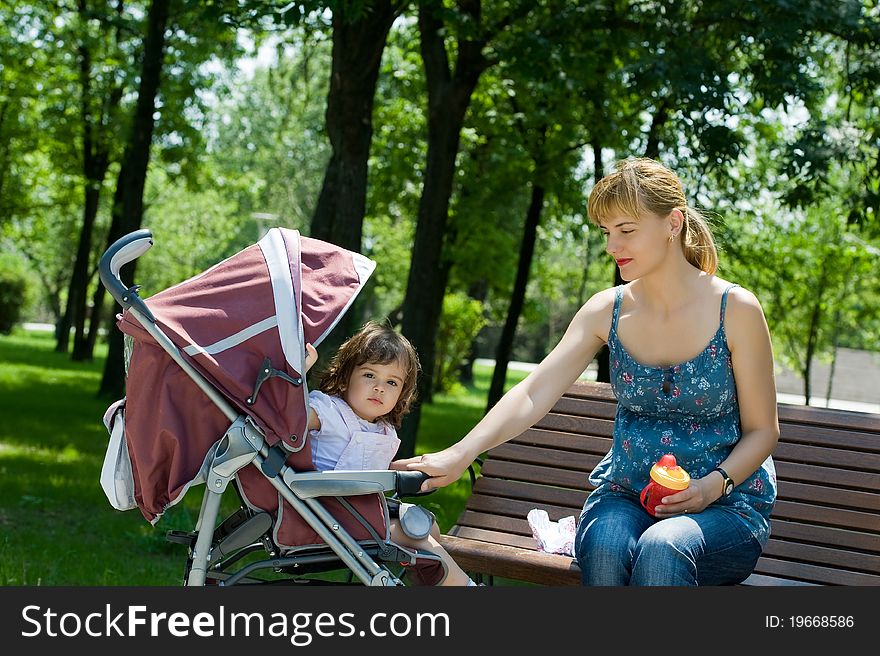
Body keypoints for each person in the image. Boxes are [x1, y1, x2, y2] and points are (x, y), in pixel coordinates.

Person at [396, 157, 779, 586]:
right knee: (605, 544)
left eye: (627, 230)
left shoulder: (736, 309)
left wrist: (712, 486)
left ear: (672, 223)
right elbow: (534, 391)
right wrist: (460, 453)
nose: (613, 245)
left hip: (724, 507)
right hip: (625, 495)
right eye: (607, 232)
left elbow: (763, 430)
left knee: (663, 547)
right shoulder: (607, 310)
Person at [304, 320, 480, 586]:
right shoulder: (328, 410)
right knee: (415, 534)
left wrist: (414, 468)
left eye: (392, 382)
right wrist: (297, 372)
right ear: (346, 375)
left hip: (361, 511)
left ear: (402, 392)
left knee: (429, 527)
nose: (379, 388)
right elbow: (289, 420)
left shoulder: (384, 430)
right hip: (324, 513)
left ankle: (431, 585)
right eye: (369, 375)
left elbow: (377, 469)